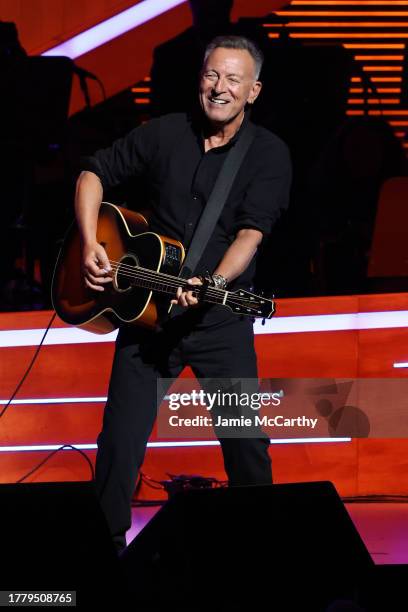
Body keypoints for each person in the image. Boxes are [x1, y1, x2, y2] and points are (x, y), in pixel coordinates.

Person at [75, 35, 292, 554]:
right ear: (200, 79)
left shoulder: (268, 154)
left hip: (219, 326)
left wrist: (214, 283)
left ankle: (262, 558)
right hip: (148, 318)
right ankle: (104, 563)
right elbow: (91, 173)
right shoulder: (164, 134)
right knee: (119, 446)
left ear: (253, 91)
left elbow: (250, 233)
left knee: (246, 447)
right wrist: (88, 244)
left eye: (233, 80)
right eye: (212, 76)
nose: (220, 88)